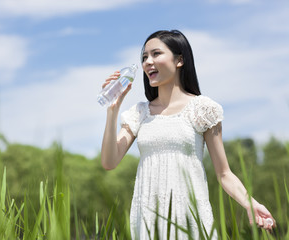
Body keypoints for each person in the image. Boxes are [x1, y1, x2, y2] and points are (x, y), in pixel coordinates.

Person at [100, 30, 275, 239]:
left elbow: (224, 174)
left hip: (189, 215)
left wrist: (250, 204)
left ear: (179, 60)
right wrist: (112, 111)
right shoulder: (139, 113)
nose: (148, 62)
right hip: (147, 218)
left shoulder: (202, 109)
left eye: (156, 54)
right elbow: (109, 162)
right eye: (144, 57)